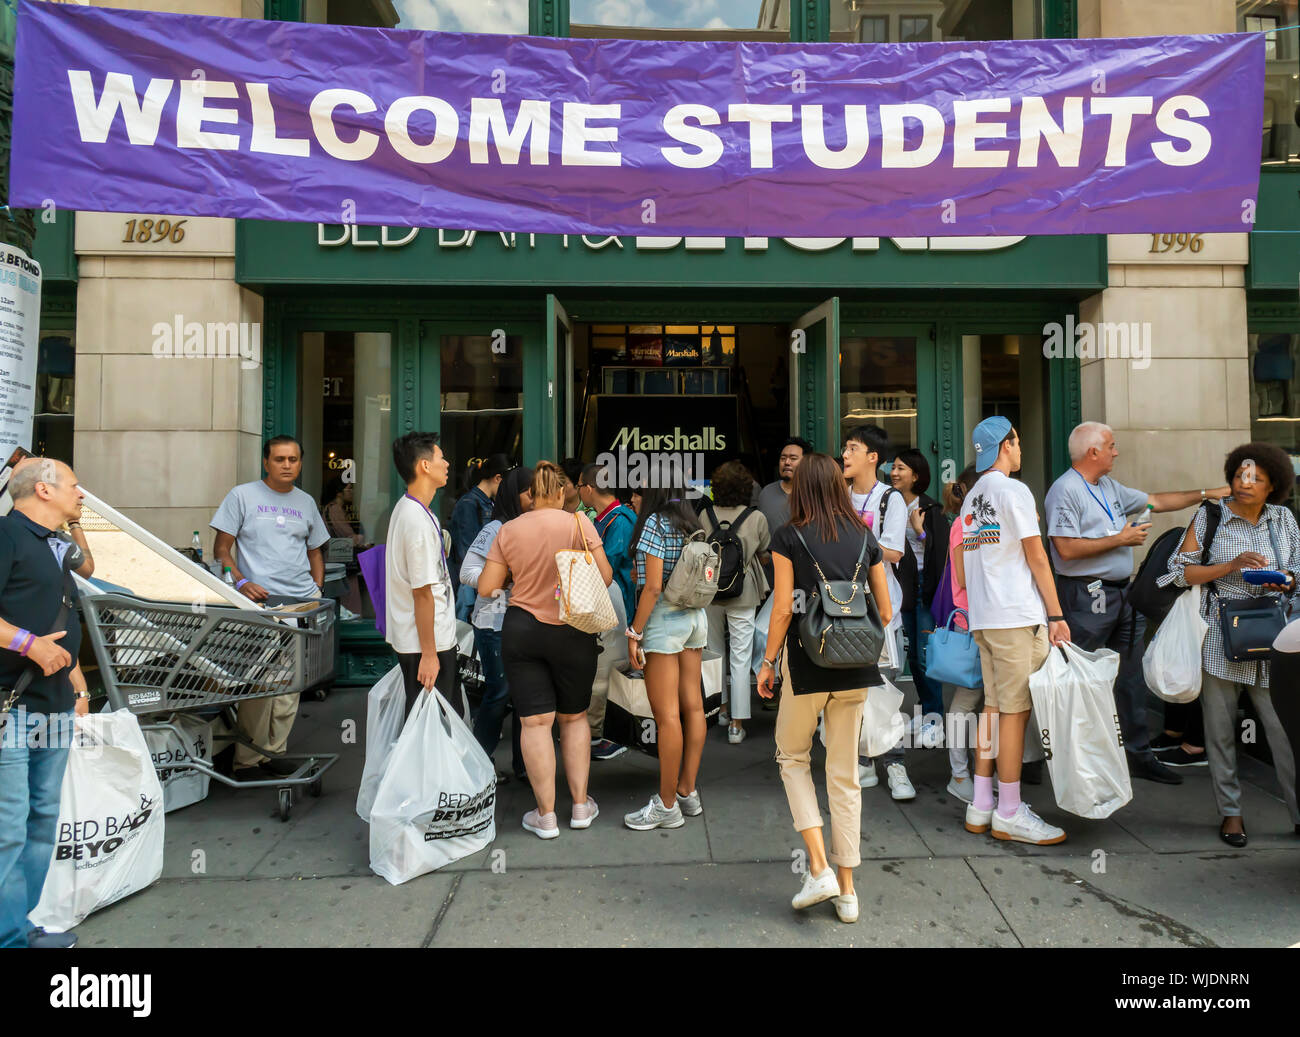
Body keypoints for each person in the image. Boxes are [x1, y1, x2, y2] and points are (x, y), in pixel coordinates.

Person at [1045, 421, 1230, 785]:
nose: (1116, 452)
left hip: (1123, 595)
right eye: (1111, 446)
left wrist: (1209, 493)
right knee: (1075, 677)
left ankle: (1138, 756)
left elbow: (1157, 501)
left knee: (1130, 680)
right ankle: (1062, 758)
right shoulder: (1065, 490)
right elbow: (1064, 549)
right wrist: (1119, 539)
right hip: (1086, 594)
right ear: (1092, 452)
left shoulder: (1109, 487)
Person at [758, 452, 892, 923]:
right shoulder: (863, 535)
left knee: (792, 756)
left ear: (803, 489)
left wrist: (768, 660)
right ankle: (848, 891)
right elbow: (887, 611)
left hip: (807, 665)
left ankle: (818, 868)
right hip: (856, 667)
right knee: (844, 774)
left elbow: (781, 609)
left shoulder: (788, 535)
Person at [1157, 442, 1300, 846]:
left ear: (1273, 484)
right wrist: (1231, 566)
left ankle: (1298, 812)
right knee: (1220, 733)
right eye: (1239, 475)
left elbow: (1299, 572)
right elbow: (1179, 574)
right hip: (1222, 636)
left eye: (1254, 477)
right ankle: (1231, 814)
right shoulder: (1210, 516)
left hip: (1274, 638)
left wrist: (1285, 578)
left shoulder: (1283, 520)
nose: (1244, 483)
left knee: (1285, 732)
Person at [954, 417, 1071, 846]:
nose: (1020, 450)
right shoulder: (1014, 491)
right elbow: (1038, 557)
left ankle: (982, 803)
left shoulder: (972, 499)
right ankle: (1009, 811)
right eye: (1017, 442)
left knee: (993, 709)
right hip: (1015, 615)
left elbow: (965, 569)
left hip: (986, 617)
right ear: (1007, 445)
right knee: (1015, 714)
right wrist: (1057, 615)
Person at [479, 462, 610, 839]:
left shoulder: (508, 529)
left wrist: (517, 575)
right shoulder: (578, 524)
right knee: (574, 718)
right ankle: (582, 806)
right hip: (573, 629)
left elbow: (488, 587)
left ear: (531, 495)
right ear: (560, 492)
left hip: (523, 631)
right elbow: (604, 576)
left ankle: (546, 815)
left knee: (534, 723)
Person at [0, 458, 90, 949]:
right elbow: (38, 636)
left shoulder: (55, 547)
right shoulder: (5, 535)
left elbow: (62, 623)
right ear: (44, 489)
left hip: (52, 704)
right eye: (75, 486)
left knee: (39, 823)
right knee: (8, 829)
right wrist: (27, 644)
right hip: (9, 707)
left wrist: (77, 686)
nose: (82, 494)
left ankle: (17, 925)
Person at [211, 435, 329, 780]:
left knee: (289, 684)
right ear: (266, 463)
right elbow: (221, 549)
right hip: (260, 606)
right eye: (280, 459)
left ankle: (274, 753)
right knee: (259, 685)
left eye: (293, 459)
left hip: (299, 603)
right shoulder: (242, 496)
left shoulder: (305, 502)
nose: (287, 465)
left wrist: (317, 590)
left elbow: (316, 550)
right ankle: (248, 759)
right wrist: (241, 582)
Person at [623, 485, 710, 830]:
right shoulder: (690, 522)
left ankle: (667, 805)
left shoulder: (654, 524)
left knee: (667, 717)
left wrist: (635, 632)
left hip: (663, 621)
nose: (632, 499)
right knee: (693, 707)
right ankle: (687, 791)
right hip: (695, 618)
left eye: (637, 492)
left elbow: (654, 587)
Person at [842, 424, 914, 801]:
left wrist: (852, 540)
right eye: (845, 448)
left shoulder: (890, 499)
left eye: (853, 448)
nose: (845, 455)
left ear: (873, 457)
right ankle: (864, 759)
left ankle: (896, 764)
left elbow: (894, 552)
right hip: (844, 606)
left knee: (887, 684)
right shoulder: (837, 494)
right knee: (854, 686)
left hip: (882, 608)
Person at [459, 465, 533, 782]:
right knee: (499, 692)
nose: (535, 499)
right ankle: (478, 763)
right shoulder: (494, 530)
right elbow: (466, 573)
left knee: (525, 696)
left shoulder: (532, 527)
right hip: (493, 623)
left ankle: (524, 764)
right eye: (530, 493)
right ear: (514, 495)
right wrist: (500, 578)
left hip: (524, 623)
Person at [384, 432, 459, 716]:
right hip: (427, 645)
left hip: (429, 640)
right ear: (424, 466)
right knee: (430, 730)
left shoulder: (415, 511)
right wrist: (429, 654)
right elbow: (422, 592)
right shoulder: (415, 519)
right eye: (441, 457)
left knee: (434, 725)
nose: (447, 463)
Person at [702, 460, 770, 744]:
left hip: (709, 591)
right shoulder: (756, 517)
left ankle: (722, 709)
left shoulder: (704, 515)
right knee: (741, 657)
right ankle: (736, 725)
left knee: (715, 654)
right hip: (743, 592)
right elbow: (765, 553)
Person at [890, 448, 949, 743]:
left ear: (916, 475)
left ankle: (935, 718)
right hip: (901, 584)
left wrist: (919, 531)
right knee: (912, 655)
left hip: (925, 585)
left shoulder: (931, 509)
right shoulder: (889, 505)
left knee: (925, 655)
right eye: (894, 468)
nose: (895, 473)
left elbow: (941, 554)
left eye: (901, 468)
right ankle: (927, 715)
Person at [578, 460, 635, 761]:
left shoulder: (620, 520)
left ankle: (610, 734)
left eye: (579, 487)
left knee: (611, 672)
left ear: (588, 488)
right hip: (604, 607)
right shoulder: (604, 518)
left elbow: (606, 568)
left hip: (618, 607)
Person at [938, 466, 981, 804]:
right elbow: (964, 579)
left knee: (989, 703)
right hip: (972, 621)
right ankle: (959, 773)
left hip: (990, 621)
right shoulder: (962, 525)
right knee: (966, 701)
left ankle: (979, 774)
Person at [449, 454, 511, 621]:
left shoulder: (488, 503)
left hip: (483, 584)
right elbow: (467, 553)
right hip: (471, 587)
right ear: (498, 478)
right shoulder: (468, 503)